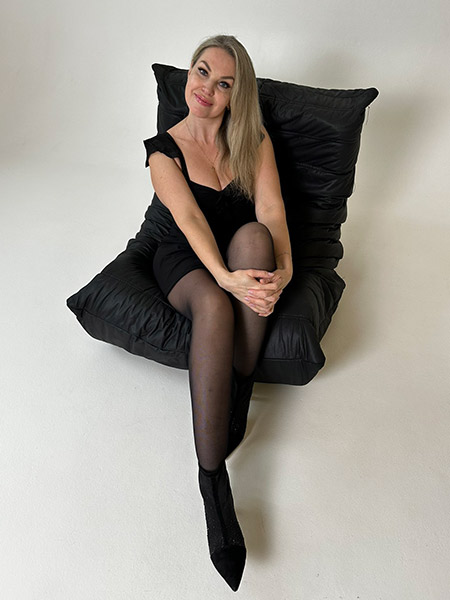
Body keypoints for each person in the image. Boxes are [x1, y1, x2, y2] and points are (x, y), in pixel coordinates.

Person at [143, 34, 292, 591]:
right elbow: (189, 221)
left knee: (256, 236)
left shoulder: (252, 139)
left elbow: (271, 210)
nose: (206, 88)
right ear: (189, 73)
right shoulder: (164, 151)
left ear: (236, 94)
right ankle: (213, 483)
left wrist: (284, 271)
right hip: (184, 257)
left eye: (223, 82)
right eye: (201, 72)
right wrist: (226, 280)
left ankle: (240, 382)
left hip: (236, 251)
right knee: (213, 304)